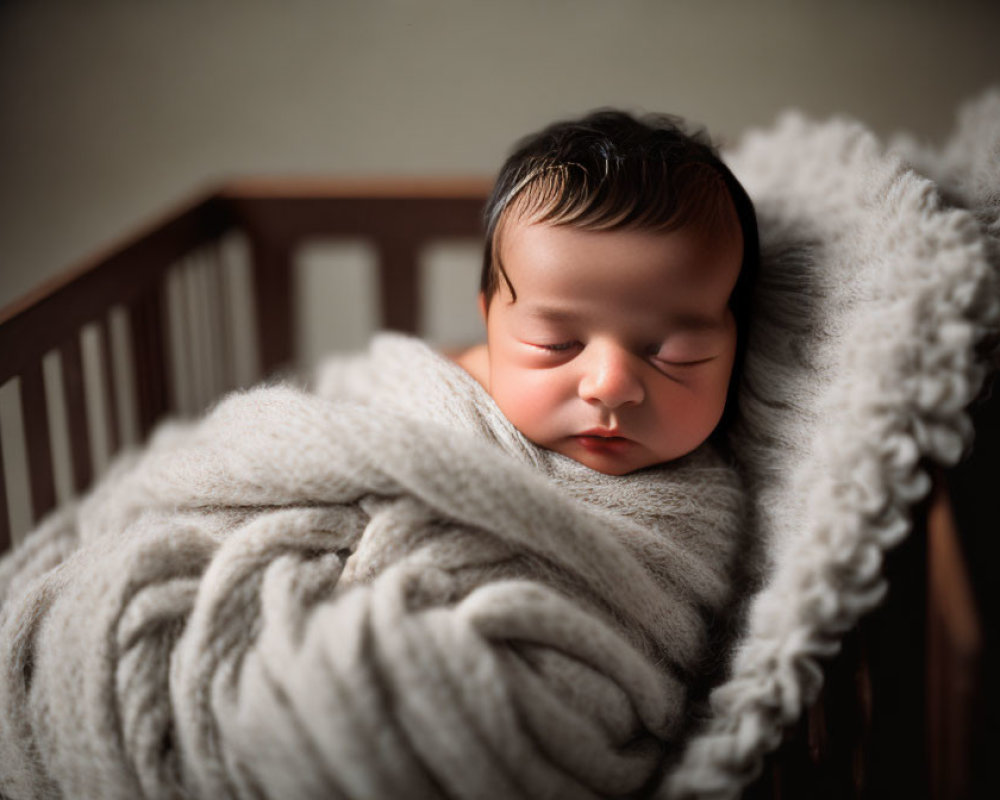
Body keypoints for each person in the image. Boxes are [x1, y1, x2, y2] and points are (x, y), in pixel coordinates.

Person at [454, 109, 759, 475]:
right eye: (555, 343)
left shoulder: (749, 471)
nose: (610, 386)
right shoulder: (449, 409)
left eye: (678, 354)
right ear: (489, 323)